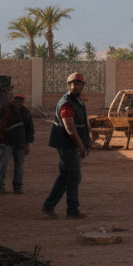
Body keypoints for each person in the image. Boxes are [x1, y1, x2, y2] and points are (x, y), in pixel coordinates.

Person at [42, 72, 91, 219]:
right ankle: (72, 211)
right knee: (74, 177)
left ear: (82, 86)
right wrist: (81, 146)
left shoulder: (77, 101)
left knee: (66, 176)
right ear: (68, 85)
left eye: (78, 84)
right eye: (73, 84)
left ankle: (49, 205)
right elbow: (70, 129)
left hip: (70, 145)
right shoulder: (66, 104)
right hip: (67, 145)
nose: (75, 86)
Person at [0, 93, 34, 196]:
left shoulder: (25, 112)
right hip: (6, 142)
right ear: (12, 100)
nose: (18, 102)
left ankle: (17, 187)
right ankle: (0, 187)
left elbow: (30, 128)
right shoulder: (5, 111)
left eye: (21, 101)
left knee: (19, 166)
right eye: (17, 100)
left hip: (20, 144)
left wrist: (27, 143)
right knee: (3, 165)